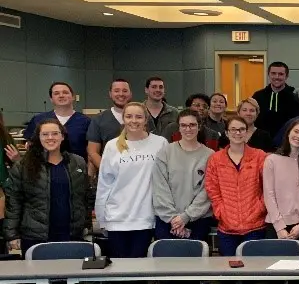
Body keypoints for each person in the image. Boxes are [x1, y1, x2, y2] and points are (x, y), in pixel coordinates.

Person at [4, 118, 91, 254]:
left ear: (62, 137)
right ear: (38, 138)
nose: (50, 138)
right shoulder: (23, 166)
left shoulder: (78, 163)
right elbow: (14, 201)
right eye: (45, 134)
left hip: (72, 235)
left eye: (55, 133)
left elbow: (85, 197)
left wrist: (86, 226)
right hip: (35, 237)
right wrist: (12, 235)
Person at [95, 102, 168, 259]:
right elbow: (104, 184)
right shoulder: (112, 146)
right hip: (117, 218)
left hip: (146, 218)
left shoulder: (160, 143)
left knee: (138, 269)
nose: (133, 121)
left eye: (138, 117)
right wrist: (101, 218)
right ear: (123, 119)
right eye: (129, 116)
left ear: (146, 120)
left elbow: (167, 180)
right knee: (119, 272)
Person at [205, 115, 267, 257]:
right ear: (226, 133)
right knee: (228, 272)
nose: (237, 133)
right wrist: (220, 211)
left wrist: (260, 207)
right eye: (233, 129)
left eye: (241, 129)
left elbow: (268, 187)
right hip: (227, 226)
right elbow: (212, 188)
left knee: (252, 273)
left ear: (247, 132)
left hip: (255, 225)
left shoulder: (259, 156)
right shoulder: (216, 159)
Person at [151, 109, 214, 242]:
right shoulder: (165, 152)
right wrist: (174, 218)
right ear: (178, 127)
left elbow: (207, 191)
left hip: (198, 220)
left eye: (192, 125)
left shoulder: (210, 156)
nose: (188, 129)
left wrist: (185, 217)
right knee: (166, 261)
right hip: (167, 220)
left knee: (196, 261)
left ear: (199, 126)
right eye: (183, 125)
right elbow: (160, 187)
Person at [263, 118, 299, 252]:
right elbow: (269, 195)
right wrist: (279, 227)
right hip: (275, 225)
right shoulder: (271, 160)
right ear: (288, 133)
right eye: (296, 131)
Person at [24, 81, 91, 158]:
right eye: (56, 93)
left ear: (73, 97)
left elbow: (91, 149)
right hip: (43, 167)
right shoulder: (38, 120)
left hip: (76, 167)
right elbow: (30, 146)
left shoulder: (86, 121)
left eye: (65, 92)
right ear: (51, 99)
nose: (61, 95)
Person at [86, 78, 132, 172]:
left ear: (130, 94)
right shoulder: (99, 119)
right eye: (116, 91)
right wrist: (107, 171)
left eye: (125, 91)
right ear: (110, 94)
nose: (121, 94)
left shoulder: (142, 118)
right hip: (108, 177)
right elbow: (92, 152)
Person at [251, 61, 299, 139]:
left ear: (286, 76)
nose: (277, 77)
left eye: (281, 74)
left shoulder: (295, 98)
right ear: (268, 74)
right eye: (273, 73)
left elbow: (298, 123)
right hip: (260, 142)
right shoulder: (258, 96)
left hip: (286, 143)